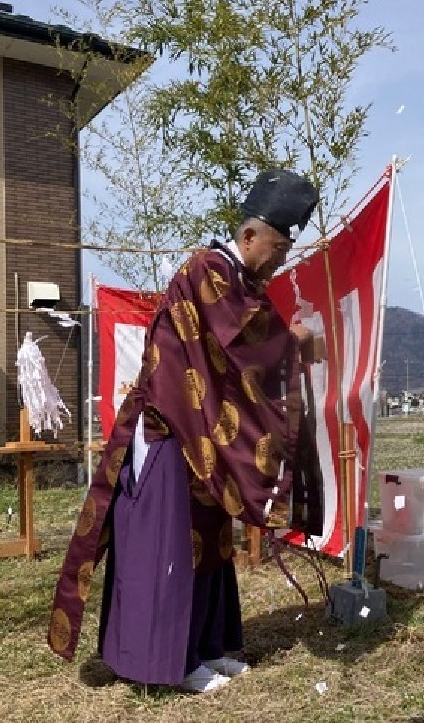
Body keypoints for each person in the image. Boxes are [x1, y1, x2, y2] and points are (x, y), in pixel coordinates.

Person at [48, 169, 323, 693]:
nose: (282, 258)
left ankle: (204, 648)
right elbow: (244, 342)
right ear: (249, 237)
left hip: (204, 438)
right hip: (171, 432)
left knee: (210, 546)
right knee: (169, 548)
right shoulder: (208, 268)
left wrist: (288, 342)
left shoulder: (239, 281)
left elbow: (245, 353)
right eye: (280, 246)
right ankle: (166, 664)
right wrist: (294, 342)